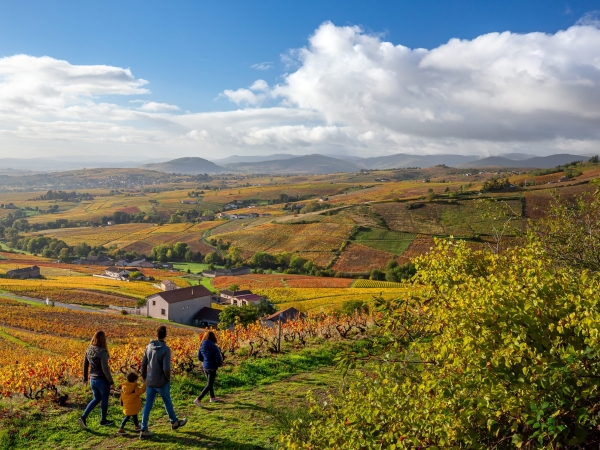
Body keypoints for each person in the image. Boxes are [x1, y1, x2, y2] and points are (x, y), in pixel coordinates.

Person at [139, 326, 187, 438]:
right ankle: (174, 422)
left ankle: (143, 429)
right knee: (167, 401)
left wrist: (144, 376)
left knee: (148, 405)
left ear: (156, 334)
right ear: (165, 335)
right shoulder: (165, 349)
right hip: (161, 381)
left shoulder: (148, 347)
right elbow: (166, 368)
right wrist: (167, 378)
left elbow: (143, 363)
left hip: (150, 381)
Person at [79, 330, 115, 429]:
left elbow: (85, 364)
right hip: (102, 380)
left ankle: (83, 417)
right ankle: (103, 420)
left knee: (96, 399)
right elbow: (105, 368)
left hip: (92, 380)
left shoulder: (89, 349)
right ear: (103, 339)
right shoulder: (102, 352)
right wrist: (111, 381)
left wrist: (85, 378)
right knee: (104, 400)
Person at [194, 330, 223, 407]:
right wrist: (219, 364)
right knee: (209, 384)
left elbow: (199, 357)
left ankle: (212, 397)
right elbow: (218, 359)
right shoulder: (215, 347)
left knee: (210, 383)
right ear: (214, 338)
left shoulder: (201, 346)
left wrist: (205, 361)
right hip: (212, 367)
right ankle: (199, 399)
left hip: (205, 367)